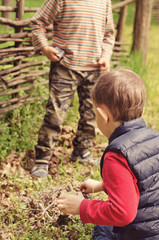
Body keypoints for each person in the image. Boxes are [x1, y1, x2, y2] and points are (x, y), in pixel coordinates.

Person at [57, 68, 159, 240]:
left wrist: (82, 206)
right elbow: (145, 183)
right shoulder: (154, 138)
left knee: (103, 224)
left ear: (102, 116)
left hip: (140, 234)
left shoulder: (117, 156)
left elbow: (123, 213)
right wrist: (100, 186)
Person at [30, 0, 115, 178]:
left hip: (94, 69)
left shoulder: (104, 1)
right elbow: (37, 22)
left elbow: (108, 34)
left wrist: (106, 55)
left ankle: (82, 151)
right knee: (55, 114)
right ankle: (43, 158)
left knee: (92, 114)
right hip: (65, 68)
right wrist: (45, 47)